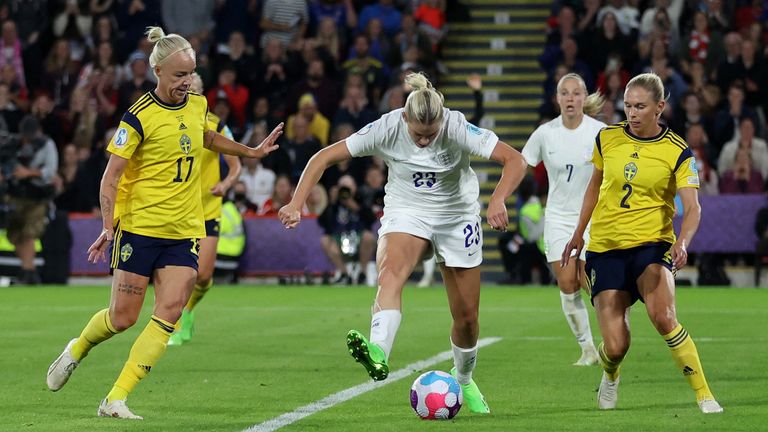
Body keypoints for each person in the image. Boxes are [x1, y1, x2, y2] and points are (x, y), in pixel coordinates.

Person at [45, 26, 283, 420]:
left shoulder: (197, 104)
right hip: (139, 228)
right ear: (157, 72)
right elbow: (110, 178)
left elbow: (207, 138)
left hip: (184, 230)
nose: (186, 82)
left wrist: (250, 152)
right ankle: (77, 349)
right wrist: (108, 226)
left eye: (190, 74)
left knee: (171, 310)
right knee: (123, 318)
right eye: (178, 76)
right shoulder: (137, 117)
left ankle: (116, 399)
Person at [278, 72, 527, 413]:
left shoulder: (456, 126)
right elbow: (323, 157)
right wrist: (296, 202)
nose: (424, 141)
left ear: (441, 120)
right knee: (391, 272)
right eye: (418, 135)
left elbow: (516, 159)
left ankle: (465, 379)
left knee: (467, 318)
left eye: (431, 134)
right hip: (407, 211)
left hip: (457, 216)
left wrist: (498, 198)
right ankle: (378, 351)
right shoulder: (387, 128)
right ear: (405, 118)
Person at [561, 72, 723, 414]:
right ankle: (611, 373)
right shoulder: (608, 139)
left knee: (663, 317)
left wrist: (683, 242)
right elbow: (595, 186)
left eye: (640, 106)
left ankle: (704, 394)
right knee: (616, 346)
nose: (631, 113)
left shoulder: (677, 150)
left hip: (653, 246)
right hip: (605, 249)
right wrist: (579, 232)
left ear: (659, 107)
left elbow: (693, 207)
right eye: (627, 105)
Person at [521, 72, 605, 366]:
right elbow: (522, 163)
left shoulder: (601, 132)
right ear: (557, 99)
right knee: (567, 281)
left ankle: (614, 327)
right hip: (557, 217)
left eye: (576, 93)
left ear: (584, 97)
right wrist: (498, 197)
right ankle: (588, 349)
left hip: (594, 217)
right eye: (565, 93)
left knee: (592, 281)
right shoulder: (545, 133)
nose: (571, 98)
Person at [168, 73, 242, 346]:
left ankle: (188, 310)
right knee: (179, 272)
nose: (191, 94)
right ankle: (175, 323)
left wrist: (225, 184)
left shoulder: (216, 125)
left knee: (203, 274)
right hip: (179, 208)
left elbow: (236, 166)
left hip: (208, 207)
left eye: (195, 90)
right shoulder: (172, 123)